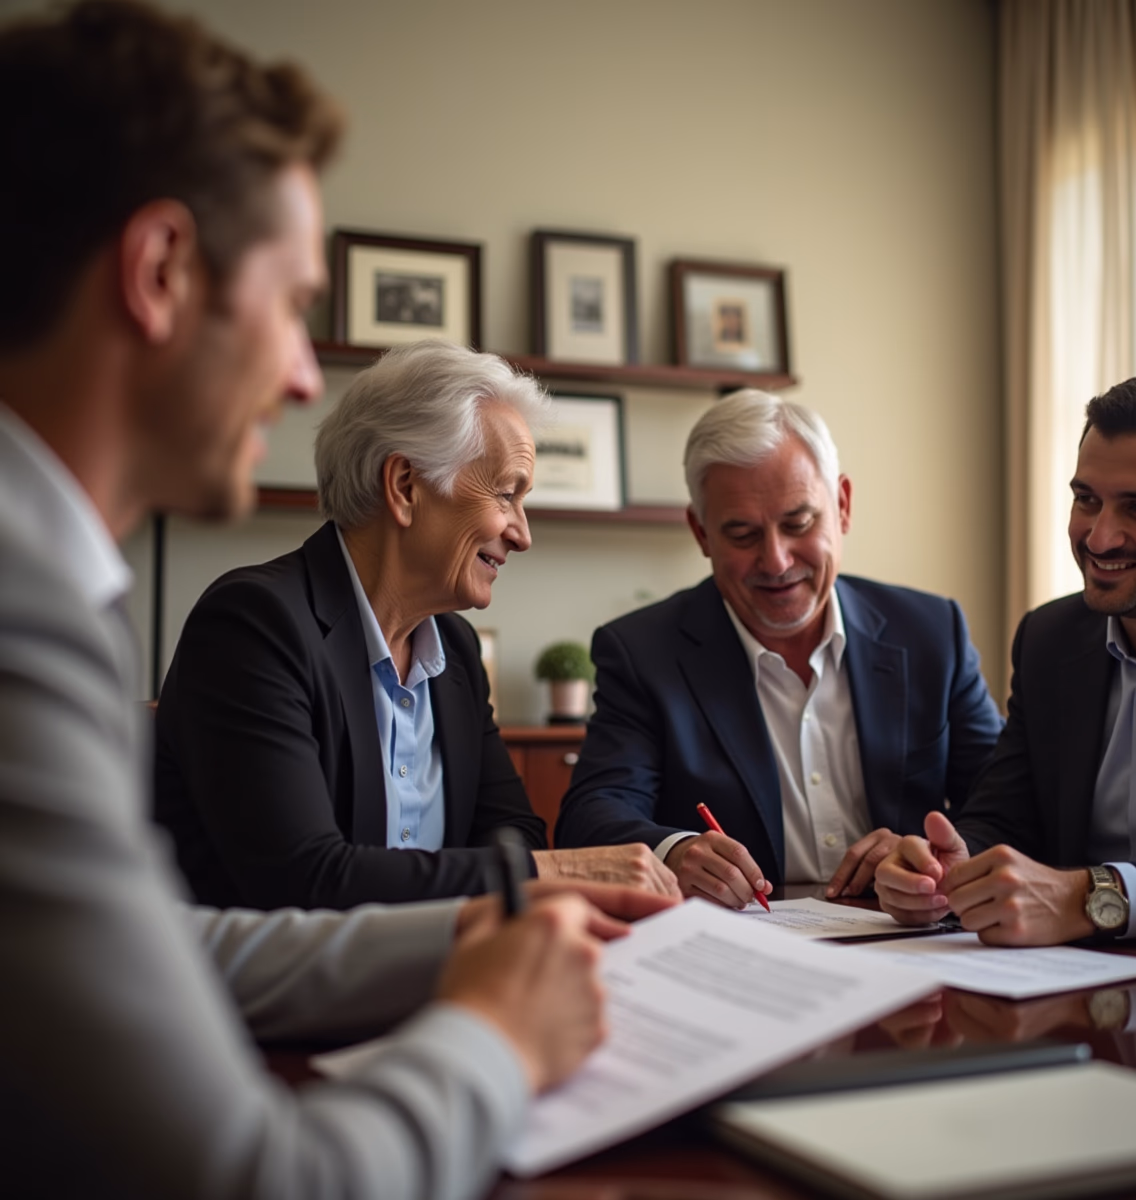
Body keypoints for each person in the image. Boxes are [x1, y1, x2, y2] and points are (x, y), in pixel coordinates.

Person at [0, 5, 673, 1198]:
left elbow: (174, 944)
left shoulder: (67, 588)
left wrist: (479, 926)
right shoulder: (43, 607)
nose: (308, 376)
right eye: (292, 305)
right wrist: (498, 1029)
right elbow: (258, 1176)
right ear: (159, 274)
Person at [153, 339, 680, 908]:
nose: (522, 534)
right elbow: (305, 879)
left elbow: (514, 833)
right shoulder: (255, 625)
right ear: (405, 486)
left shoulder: (455, 647)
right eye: (506, 495)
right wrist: (561, 870)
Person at [555, 388, 1003, 906]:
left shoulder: (930, 632)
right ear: (701, 533)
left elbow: (1005, 805)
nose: (776, 561)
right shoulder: (642, 652)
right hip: (742, 941)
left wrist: (938, 858)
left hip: (909, 934)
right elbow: (591, 817)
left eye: (798, 524)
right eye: (743, 534)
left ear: (842, 505)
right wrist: (673, 852)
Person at [876, 373, 1136, 946]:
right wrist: (950, 869)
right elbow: (1006, 817)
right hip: (1078, 984)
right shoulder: (1049, 639)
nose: (1099, 538)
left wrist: (1093, 897)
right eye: (1087, 500)